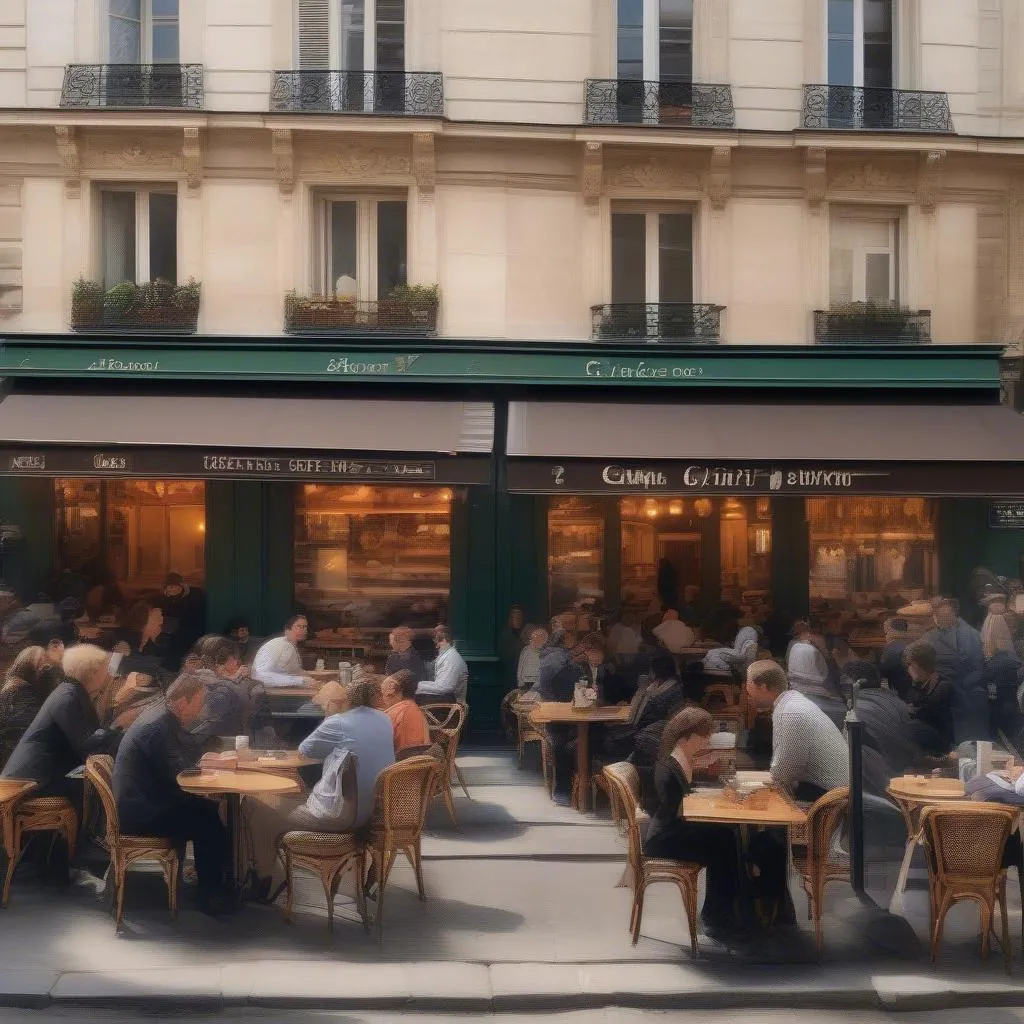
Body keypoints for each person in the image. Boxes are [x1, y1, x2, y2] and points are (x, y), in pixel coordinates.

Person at [244, 679, 395, 897]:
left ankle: (269, 880)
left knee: (255, 809)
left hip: (339, 815)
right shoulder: (385, 720)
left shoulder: (338, 723)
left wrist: (330, 718)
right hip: (372, 812)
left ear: (342, 701)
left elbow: (305, 750)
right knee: (288, 799)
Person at [113, 673, 231, 915]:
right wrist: (205, 768)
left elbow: (184, 753)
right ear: (181, 702)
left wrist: (204, 760)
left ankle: (214, 884)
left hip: (145, 800)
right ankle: (211, 896)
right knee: (208, 821)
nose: (199, 712)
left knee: (206, 813)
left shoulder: (163, 716)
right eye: (197, 705)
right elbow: (177, 775)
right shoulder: (158, 727)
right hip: (142, 812)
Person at [643, 706, 742, 937]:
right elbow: (677, 810)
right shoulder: (669, 767)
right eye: (703, 736)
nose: (706, 741)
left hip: (672, 829)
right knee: (724, 840)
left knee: (727, 834)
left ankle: (724, 911)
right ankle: (718, 917)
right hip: (663, 838)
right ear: (687, 735)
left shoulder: (681, 759)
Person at [745, 660, 849, 802]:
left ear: (763, 687)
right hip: (832, 790)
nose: (746, 692)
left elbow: (786, 769)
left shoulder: (790, 711)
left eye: (748, 684)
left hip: (831, 797)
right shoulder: (793, 702)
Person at [0, 646, 61, 768]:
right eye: (43, 665)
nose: (47, 669)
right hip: (19, 763)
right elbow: (28, 730)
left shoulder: (15, 688)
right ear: (27, 667)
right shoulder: (22, 692)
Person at [189, 636, 251, 744]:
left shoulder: (220, 690)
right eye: (235, 658)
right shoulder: (226, 687)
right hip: (217, 744)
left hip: (217, 746)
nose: (237, 662)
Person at [904, 641, 955, 755]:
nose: (908, 670)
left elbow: (924, 710)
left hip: (939, 746)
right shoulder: (918, 685)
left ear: (916, 665)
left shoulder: (942, 686)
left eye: (909, 665)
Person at [158, 572, 206, 670]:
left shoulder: (195, 596)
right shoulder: (164, 599)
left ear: (180, 585)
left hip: (191, 634)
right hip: (171, 636)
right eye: (167, 587)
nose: (169, 589)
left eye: (172, 586)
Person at [251, 615, 313, 689]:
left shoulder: (291, 646)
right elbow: (260, 674)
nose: (303, 630)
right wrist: (301, 680)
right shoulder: (278, 644)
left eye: (305, 627)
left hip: (282, 690)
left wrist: (308, 677)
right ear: (287, 629)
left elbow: (293, 671)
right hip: (266, 693)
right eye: (299, 626)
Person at [379, 669, 431, 756]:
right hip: (420, 765)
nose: (382, 699)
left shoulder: (392, 715)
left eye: (382, 694)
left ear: (391, 688)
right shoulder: (418, 712)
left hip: (398, 767)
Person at [417, 625, 468, 703]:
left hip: (449, 706)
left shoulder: (451, 658)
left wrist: (417, 686)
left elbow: (444, 687)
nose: (434, 643)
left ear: (444, 639)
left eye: (436, 640)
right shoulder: (445, 655)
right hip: (443, 700)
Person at [879, 617, 913, 700]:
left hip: (900, 694)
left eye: (886, 632)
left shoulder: (891, 649)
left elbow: (882, 674)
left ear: (892, 631)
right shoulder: (911, 644)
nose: (886, 636)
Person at [516, 626, 547, 692]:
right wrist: (520, 682)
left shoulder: (545, 651)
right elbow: (521, 665)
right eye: (532, 638)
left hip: (540, 682)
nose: (531, 640)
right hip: (526, 682)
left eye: (536, 638)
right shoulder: (526, 650)